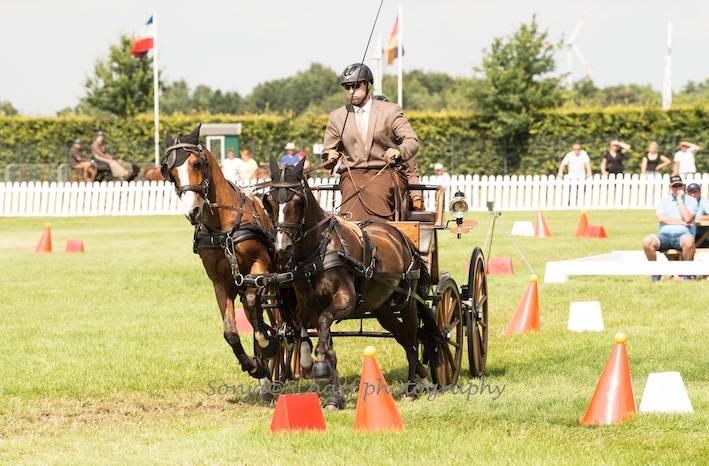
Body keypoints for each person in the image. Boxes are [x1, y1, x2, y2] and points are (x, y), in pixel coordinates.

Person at [321, 63, 421, 221]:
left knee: (377, 192)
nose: (351, 92)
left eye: (356, 86)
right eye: (347, 88)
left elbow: (412, 141)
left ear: (368, 85)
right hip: (352, 175)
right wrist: (328, 157)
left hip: (386, 172)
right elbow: (327, 153)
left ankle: (380, 236)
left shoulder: (390, 110)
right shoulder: (337, 116)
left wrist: (399, 151)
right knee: (351, 196)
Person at [641, 175, 698, 281]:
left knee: (689, 241)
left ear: (683, 186)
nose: (677, 188)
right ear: (670, 188)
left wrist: (680, 200)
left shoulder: (691, 200)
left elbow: (688, 218)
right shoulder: (664, 200)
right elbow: (661, 218)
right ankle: (655, 272)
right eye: (674, 186)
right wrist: (682, 222)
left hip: (682, 235)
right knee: (647, 241)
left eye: (679, 186)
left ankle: (685, 274)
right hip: (664, 235)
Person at [687, 182, 709, 248]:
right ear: (687, 193)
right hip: (686, 234)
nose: (693, 194)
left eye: (695, 192)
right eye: (690, 192)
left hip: (701, 235)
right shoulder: (684, 201)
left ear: (700, 192)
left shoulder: (704, 202)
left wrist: (699, 218)